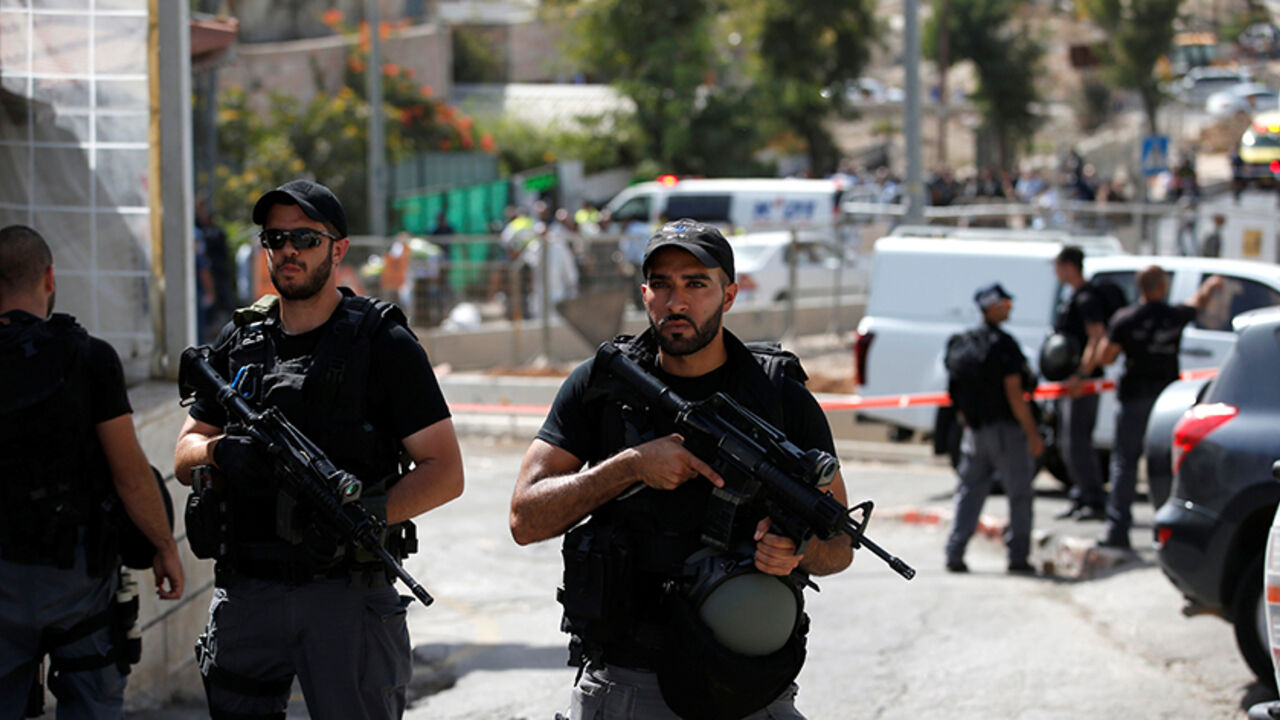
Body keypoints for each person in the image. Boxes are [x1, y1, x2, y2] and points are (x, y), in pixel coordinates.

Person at [510, 219, 853, 720]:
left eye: (696, 284)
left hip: (748, 685)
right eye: (662, 284)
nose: (677, 302)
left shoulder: (779, 396)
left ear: (729, 295)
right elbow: (524, 519)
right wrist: (628, 468)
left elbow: (840, 546)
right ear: (644, 294)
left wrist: (796, 551)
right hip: (630, 679)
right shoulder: (602, 385)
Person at [173, 180, 464, 720]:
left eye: (305, 238)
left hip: (344, 594)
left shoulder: (382, 343)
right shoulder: (241, 340)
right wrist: (219, 453)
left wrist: (363, 516)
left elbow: (445, 471)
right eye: (275, 238)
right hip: (248, 592)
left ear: (338, 249)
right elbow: (184, 450)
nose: (288, 251)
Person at [0, 224, 184, 718]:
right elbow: (130, 474)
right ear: (49, 278)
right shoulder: (89, 357)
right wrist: (164, 547)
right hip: (78, 578)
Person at [1092, 267, 1223, 549]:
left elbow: (1105, 357)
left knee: (1124, 464)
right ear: (1162, 287)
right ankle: (1170, 531)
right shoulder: (1173, 315)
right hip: (1166, 403)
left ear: (1140, 287)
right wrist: (1210, 287)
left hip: (1134, 399)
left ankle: (1117, 531)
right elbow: (1196, 303)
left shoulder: (1126, 318)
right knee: (1168, 465)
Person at [944, 283, 1043, 574]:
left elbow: (955, 394)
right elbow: (1015, 394)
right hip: (1005, 432)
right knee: (1019, 495)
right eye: (1005, 305)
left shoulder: (963, 344)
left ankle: (955, 552)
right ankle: (1018, 557)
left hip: (974, 433)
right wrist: (1033, 434)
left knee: (969, 493)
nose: (1009, 309)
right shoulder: (1004, 346)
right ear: (992, 308)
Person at [1052, 245, 1109, 521]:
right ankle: (1079, 496)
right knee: (1068, 444)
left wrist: (1082, 375)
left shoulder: (1087, 297)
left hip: (1082, 384)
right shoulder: (1073, 296)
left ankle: (1094, 500)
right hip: (1071, 381)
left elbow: (1096, 337)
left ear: (1069, 266)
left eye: (1058, 266)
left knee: (1078, 443)